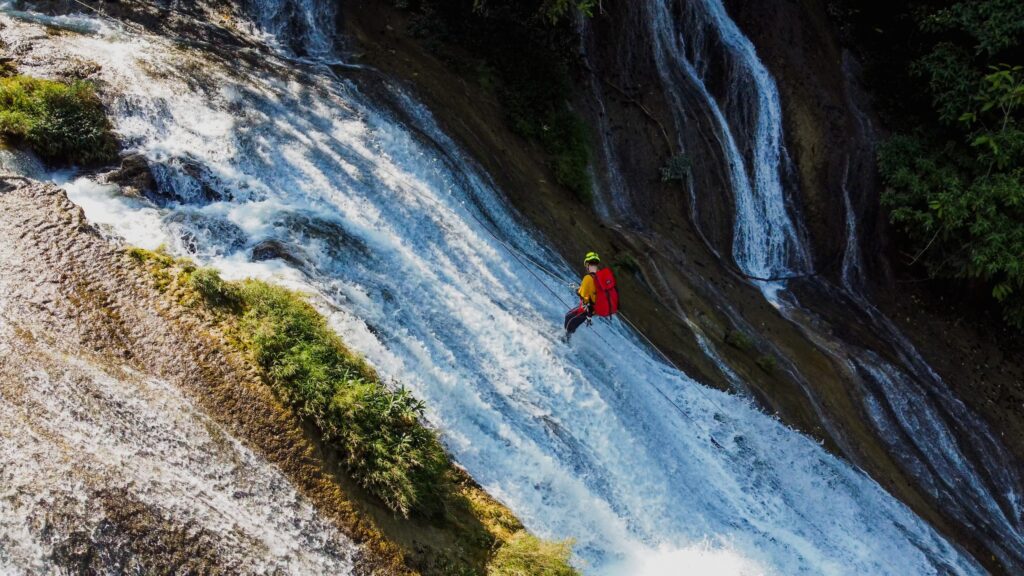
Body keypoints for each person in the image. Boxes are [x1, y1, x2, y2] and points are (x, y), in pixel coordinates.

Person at [563, 252, 602, 342]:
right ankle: (567, 337)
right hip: (592, 308)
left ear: (588, 264)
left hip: (588, 308)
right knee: (569, 317)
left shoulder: (588, 278)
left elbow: (582, 295)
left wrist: (577, 290)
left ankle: (566, 341)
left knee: (570, 321)